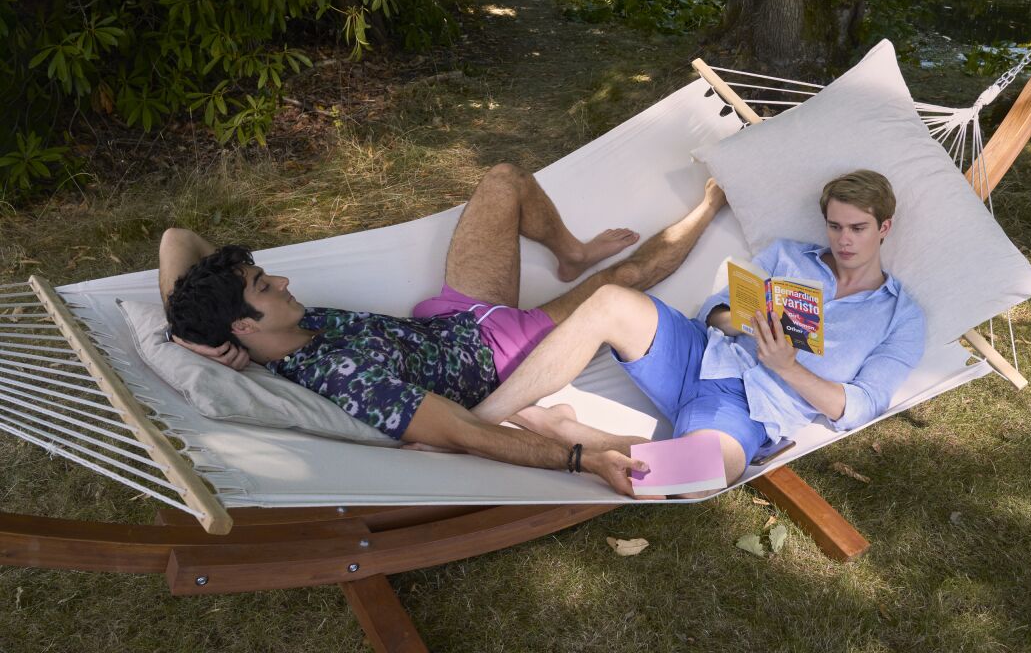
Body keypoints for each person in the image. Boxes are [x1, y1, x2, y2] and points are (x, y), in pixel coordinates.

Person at [160, 163, 727, 496]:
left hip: (454, 313)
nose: (281, 279)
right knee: (624, 280)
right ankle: (712, 203)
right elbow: (462, 431)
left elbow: (176, 240)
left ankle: (571, 252)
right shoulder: (343, 378)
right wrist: (580, 460)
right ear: (244, 322)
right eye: (264, 286)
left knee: (505, 179)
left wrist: (198, 338)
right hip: (501, 352)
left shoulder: (253, 328)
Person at [470, 170, 926, 495]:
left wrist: (787, 368)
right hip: (700, 354)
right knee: (610, 300)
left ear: (884, 228)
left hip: (752, 409)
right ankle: (478, 420)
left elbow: (860, 406)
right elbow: (714, 311)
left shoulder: (900, 316)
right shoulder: (789, 256)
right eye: (834, 226)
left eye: (858, 228)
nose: (843, 240)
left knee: (696, 477)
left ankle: (559, 426)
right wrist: (743, 320)